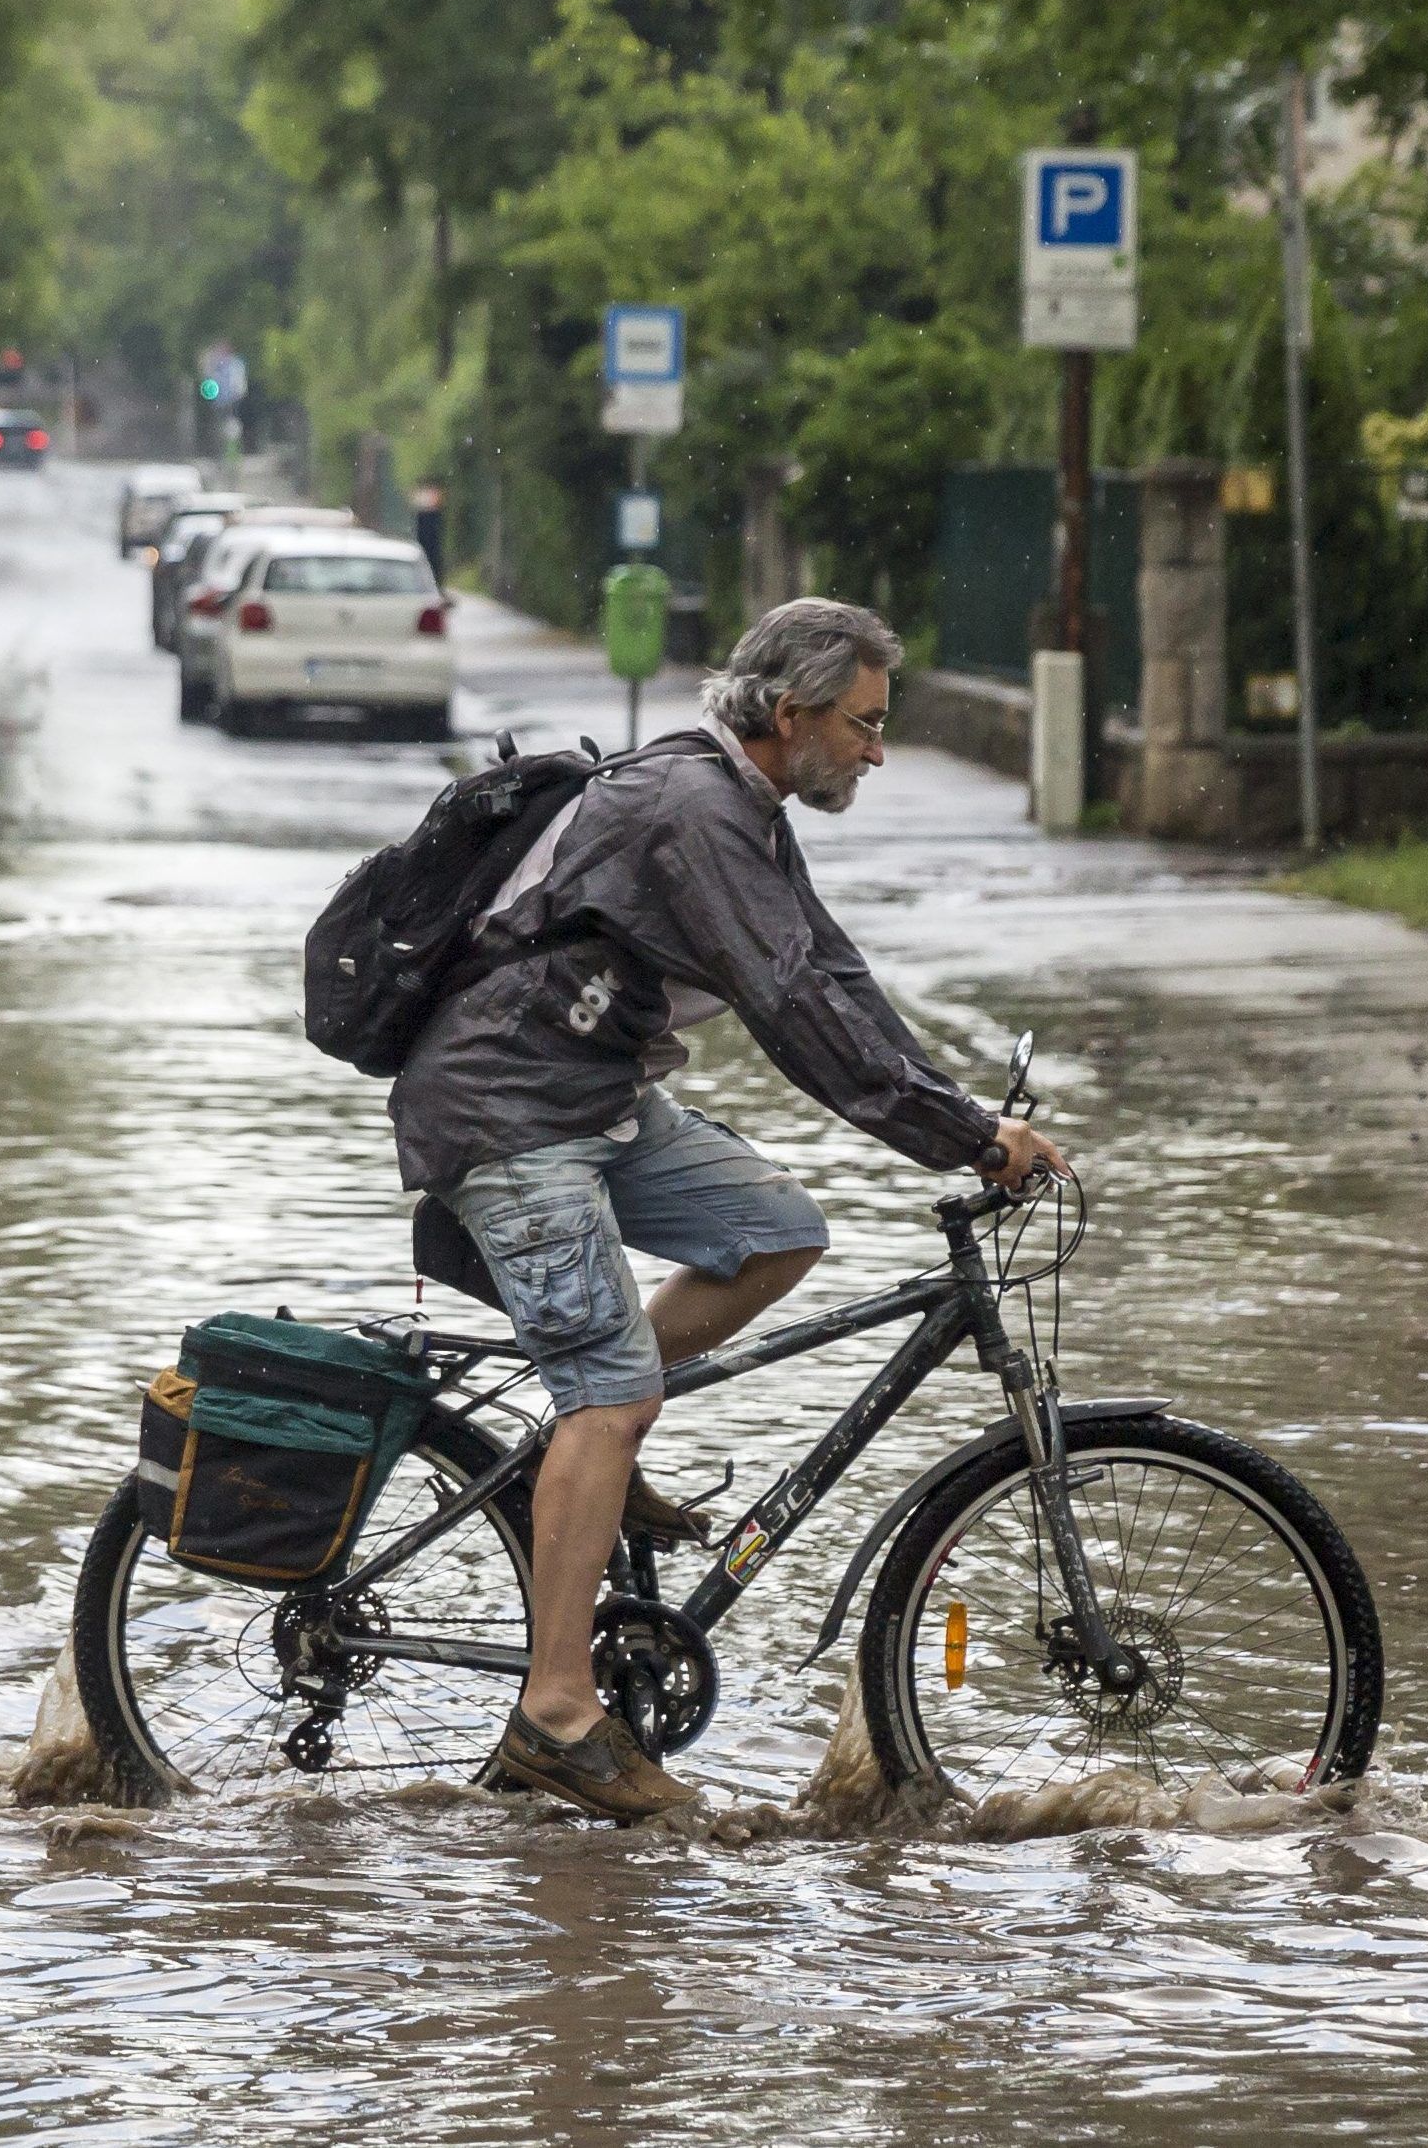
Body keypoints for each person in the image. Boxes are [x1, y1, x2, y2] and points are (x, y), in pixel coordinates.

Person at [394, 595, 1061, 1822]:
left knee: (774, 1232)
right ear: (788, 712)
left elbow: (830, 971)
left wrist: (968, 1120)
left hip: (587, 1094)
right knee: (611, 1388)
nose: (875, 749)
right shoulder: (695, 808)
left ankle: (576, 1463)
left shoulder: (738, 803)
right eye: (860, 724)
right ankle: (554, 1713)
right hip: (508, 1110)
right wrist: (962, 1141)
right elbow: (791, 1015)